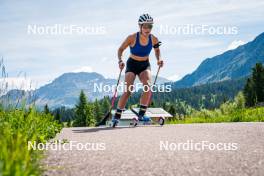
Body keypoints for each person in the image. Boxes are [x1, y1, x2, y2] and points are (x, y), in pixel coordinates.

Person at [112, 13, 164, 126]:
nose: (147, 28)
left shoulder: (154, 39)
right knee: (128, 90)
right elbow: (120, 49)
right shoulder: (132, 37)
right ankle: (117, 116)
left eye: (150, 26)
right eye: (145, 26)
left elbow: (157, 51)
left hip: (144, 65)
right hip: (132, 64)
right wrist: (120, 61)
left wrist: (159, 59)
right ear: (140, 26)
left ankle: (141, 114)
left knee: (148, 87)